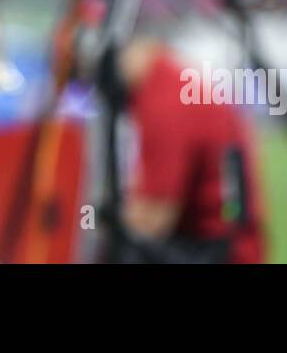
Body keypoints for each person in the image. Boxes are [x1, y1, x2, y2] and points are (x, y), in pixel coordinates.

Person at [110, 36, 266, 263]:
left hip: (214, 250)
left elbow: (154, 217)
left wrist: (92, 221)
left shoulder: (164, 100)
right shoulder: (172, 80)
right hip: (223, 240)